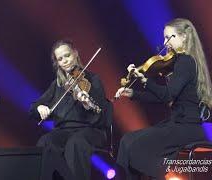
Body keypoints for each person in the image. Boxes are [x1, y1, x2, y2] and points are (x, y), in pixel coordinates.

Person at [114, 18, 212, 179]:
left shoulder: (185, 61)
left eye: (169, 37)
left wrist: (145, 81)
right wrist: (133, 94)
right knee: (127, 141)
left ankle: (171, 173)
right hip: (177, 124)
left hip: (186, 127)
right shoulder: (179, 62)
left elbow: (167, 94)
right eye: (164, 38)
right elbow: (163, 97)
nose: (165, 42)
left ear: (184, 37)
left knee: (132, 147)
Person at [29, 40, 107, 180]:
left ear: (75, 54)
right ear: (57, 63)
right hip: (65, 131)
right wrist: (40, 107)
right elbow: (33, 108)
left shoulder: (92, 80)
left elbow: (102, 117)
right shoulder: (58, 85)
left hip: (91, 130)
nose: (65, 61)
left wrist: (87, 104)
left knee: (75, 143)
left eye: (67, 55)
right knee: (46, 142)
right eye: (60, 59)